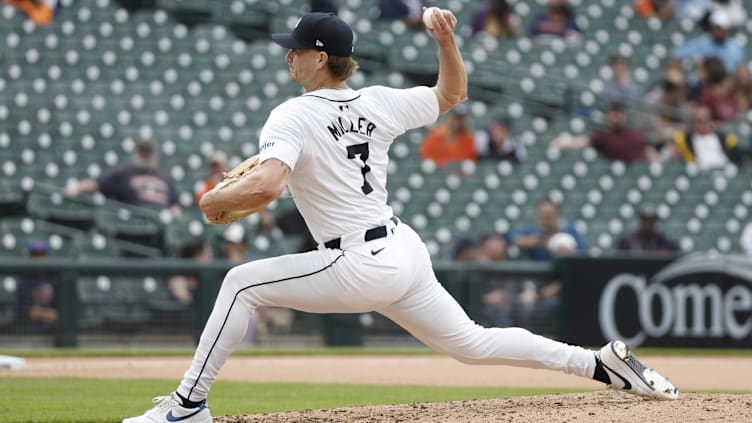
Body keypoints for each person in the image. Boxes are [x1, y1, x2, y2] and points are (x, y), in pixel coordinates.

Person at [123, 10, 678, 423]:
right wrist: (446, 40)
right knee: (473, 343)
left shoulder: (291, 114)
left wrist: (216, 200)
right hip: (401, 250)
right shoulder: (378, 101)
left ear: (319, 58)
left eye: (294, 50)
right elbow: (453, 92)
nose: (287, 56)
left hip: (357, 260)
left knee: (240, 283)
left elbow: (268, 185)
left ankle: (186, 406)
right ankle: (601, 364)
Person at [66, 138, 183, 219]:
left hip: (161, 221)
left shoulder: (165, 178)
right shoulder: (124, 173)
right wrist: (76, 188)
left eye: (148, 152)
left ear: (154, 153)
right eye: (142, 151)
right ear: (136, 152)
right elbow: (97, 184)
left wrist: (176, 218)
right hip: (134, 220)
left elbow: (174, 205)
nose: (145, 155)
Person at [550, 102, 660, 164]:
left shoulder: (636, 135)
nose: (617, 116)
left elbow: (650, 152)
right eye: (613, 113)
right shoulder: (603, 136)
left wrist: (656, 166)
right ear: (608, 115)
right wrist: (563, 143)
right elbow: (583, 141)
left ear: (625, 115)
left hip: (638, 174)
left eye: (620, 113)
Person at [507, 198, 588, 262]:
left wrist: (569, 252)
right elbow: (511, 237)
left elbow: (584, 253)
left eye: (550, 214)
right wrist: (539, 241)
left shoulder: (569, 230)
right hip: (540, 277)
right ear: (538, 216)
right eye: (543, 215)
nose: (547, 219)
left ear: (557, 214)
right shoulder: (534, 231)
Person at [672, 9, 745, 73]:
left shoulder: (735, 48)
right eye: (718, 27)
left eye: (724, 28)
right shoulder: (701, 43)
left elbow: (738, 69)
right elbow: (676, 54)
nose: (721, 31)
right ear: (711, 27)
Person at [672, 103, 742, 170]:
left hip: (723, 169)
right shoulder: (686, 139)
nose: (703, 124)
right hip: (700, 174)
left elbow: (737, 155)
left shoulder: (723, 137)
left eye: (705, 119)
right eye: (699, 121)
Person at [15, 240, 58, 333]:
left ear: (48, 257)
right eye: (34, 255)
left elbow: (63, 312)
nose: (38, 259)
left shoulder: (56, 278)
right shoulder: (23, 280)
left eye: (42, 255)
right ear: (29, 257)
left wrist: (40, 313)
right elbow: (27, 311)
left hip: (55, 333)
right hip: (27, 332)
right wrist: (50, 314)